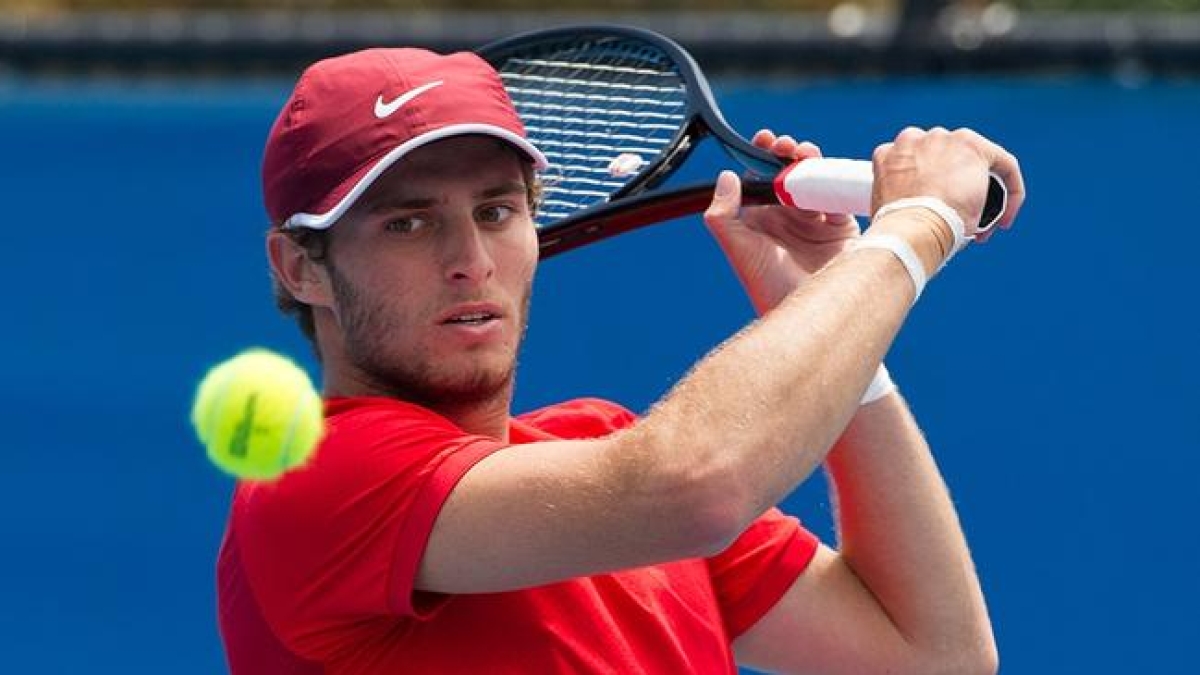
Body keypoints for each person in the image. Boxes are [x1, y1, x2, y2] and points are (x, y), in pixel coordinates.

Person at [217, 44, 1024, 674]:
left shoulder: (599, 445)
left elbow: (933, 650)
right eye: (409, 223)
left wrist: (830, 309)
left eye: (497, 211)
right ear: (301, 268)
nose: (471, 260)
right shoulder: (312, 482)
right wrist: (911, 231)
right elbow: (696, 485)